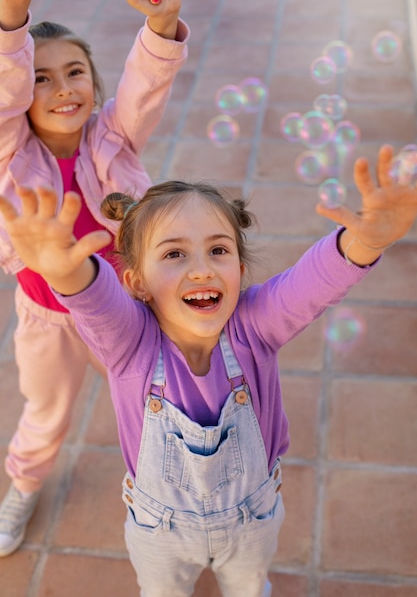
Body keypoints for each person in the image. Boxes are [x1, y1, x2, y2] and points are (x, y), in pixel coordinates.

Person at [1, 145, 417, 596]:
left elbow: (311, 283)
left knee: (249, 588)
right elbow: (96, 304)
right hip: (159, 530)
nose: (201, 269)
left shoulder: (255, 325)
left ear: (239, 269)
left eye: (217, 250)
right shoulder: (130, 343)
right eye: (174, 254)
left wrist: (366, 241)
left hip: (252, 520)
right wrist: (65, 274)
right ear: (137, 281)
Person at [0, 0, 188, 556]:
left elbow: (142, 88)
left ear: (93, 85)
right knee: (47, 412)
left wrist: (160, 22)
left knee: (155, 397)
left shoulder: (113, 136)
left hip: (121, 312)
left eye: (75, 72)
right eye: (42, 78)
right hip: (47, 318)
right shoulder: (9, 152)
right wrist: (10, 24)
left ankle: (175, 483)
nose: (63, 88)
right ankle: (23, 485)